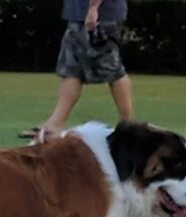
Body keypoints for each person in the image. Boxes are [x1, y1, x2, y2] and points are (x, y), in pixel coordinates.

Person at [20, 0, 132, 140]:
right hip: (78, 16)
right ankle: (55, 125)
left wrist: (93, 9)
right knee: (71, 71)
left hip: (100, 16)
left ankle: (128, 124)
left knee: (113, 70)